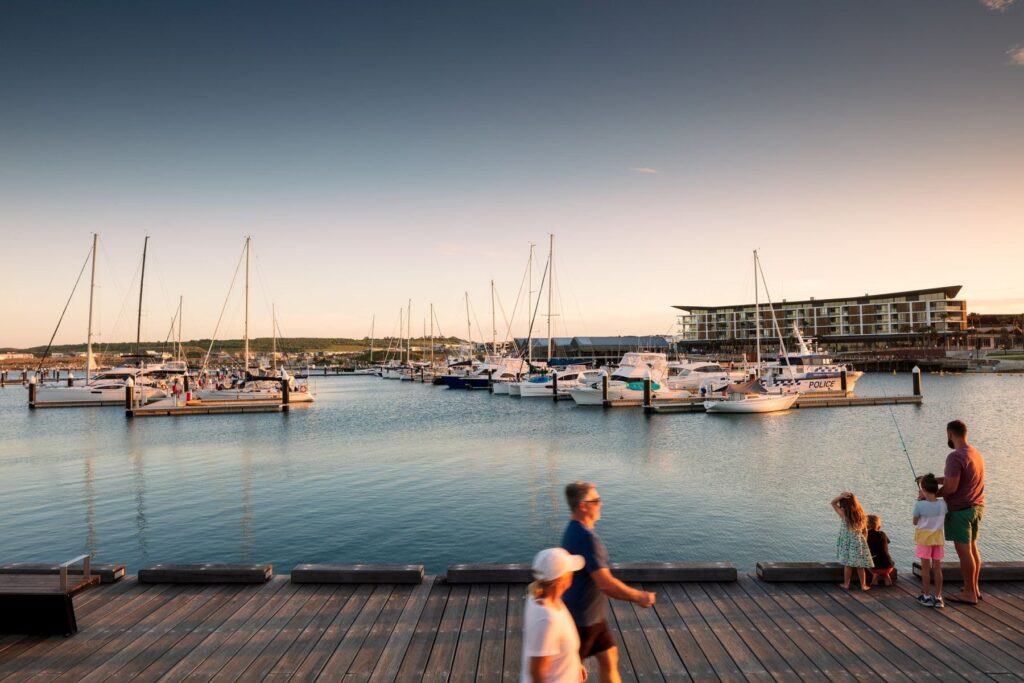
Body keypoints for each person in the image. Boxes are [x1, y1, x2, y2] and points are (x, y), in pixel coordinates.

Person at [561, 482, 655, 683]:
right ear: (583, 506)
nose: (601, 504)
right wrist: (640, 596)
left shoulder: (572, 529)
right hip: (581, 618)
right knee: (569, 675)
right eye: (596, 500)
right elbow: (605, 584)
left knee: (609, 657)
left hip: (592, 615)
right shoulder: (587, 539)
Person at [936, 419, 985, 604]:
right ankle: (974, 588)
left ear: (950, 433)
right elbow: (954, 479)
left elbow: (951, 487)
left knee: (963, 551)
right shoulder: (975, 453)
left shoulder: (955, 457)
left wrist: (930, 497)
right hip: (976, 507)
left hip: (960, 511)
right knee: (972, 548)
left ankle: (969, 594)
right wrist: (931, 479)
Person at [521, 548, 588, 683]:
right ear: (560, 579)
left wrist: (574, 665)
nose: (572, 573)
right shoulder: (546, 619)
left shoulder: (541, 596)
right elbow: (537, 672)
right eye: (569, 571)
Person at [913, 473, 947, 608]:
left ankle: (926, 596)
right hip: (938, 539)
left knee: (926, 569)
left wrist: (921, 500)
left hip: (924, 540)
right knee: (937, 568)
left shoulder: (919, 505)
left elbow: (915, 522)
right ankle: (938, 597)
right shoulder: (943, 503)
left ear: (924, 491)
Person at [831, 491, 873, 590]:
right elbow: (865, 531)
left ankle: (846, 584)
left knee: (848, 564)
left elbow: (832, 503)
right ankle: (863, 585)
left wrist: (841, 496)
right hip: (858, 542)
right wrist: (864, 542)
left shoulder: (844, 515)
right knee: (860, 565)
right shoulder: (861, 514)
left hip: (846, 543)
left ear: (843, 503)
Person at [866, 515, 895, 587]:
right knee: (883, 558)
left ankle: (875, 577)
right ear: (879, 527)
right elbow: (887, 543)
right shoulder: (883, 534)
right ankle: (887, 579)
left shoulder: (867, 536)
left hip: (876, 568)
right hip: (890, 566)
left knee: (865, 562)